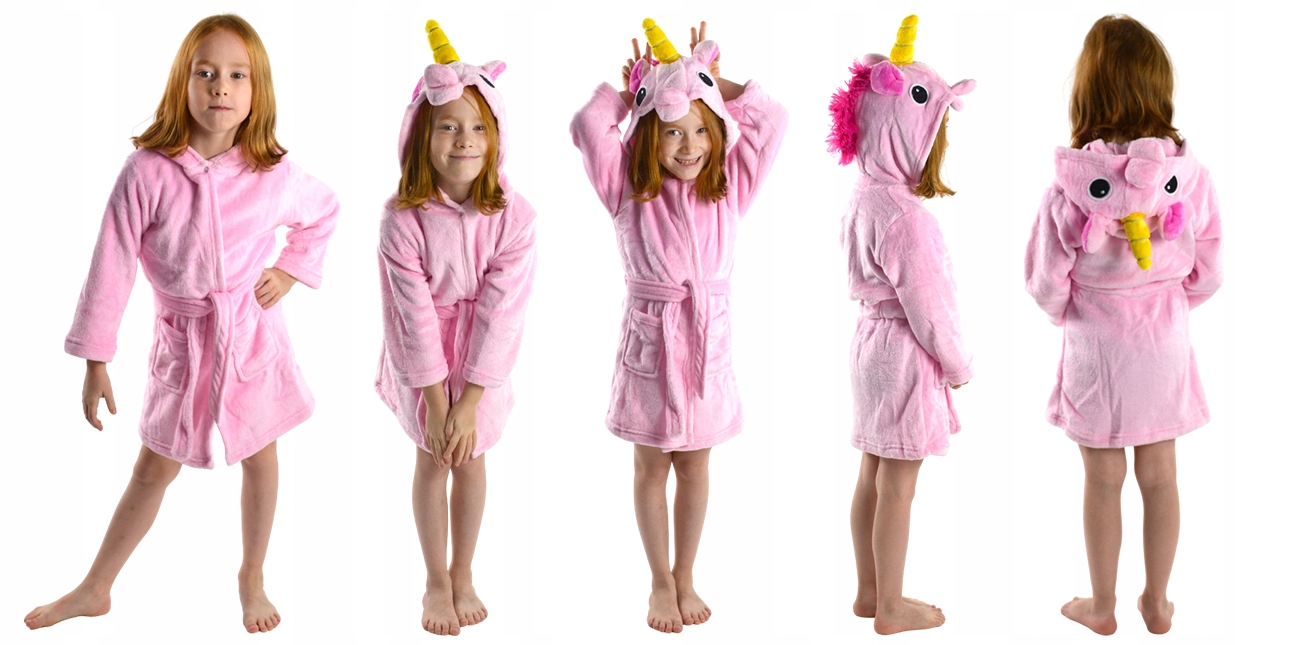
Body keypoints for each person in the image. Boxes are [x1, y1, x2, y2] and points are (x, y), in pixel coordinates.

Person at [25, 14, 338, 634]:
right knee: (153, 467)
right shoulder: (147, 172)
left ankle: (252, 576)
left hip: (251, 334)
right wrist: (96, 359)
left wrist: (291, 270)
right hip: (184, 342)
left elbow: (324, 210)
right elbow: (111, 263)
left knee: (261, 456)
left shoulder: (271, 171)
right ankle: (95, 587)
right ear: (182, 83)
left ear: (257, 91)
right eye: (206, 72)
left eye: (238, 75)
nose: (221, 86)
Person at [570, 18, 787, 634]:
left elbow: (774, 119)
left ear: (717, 132)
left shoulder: (729, 186)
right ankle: (659, 582)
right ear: (648, 134)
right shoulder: (626, 186)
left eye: (699, 130)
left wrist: (711, 80)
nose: (688, 146)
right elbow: (587, 125)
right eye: (672, 131)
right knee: (651, 466)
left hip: (706, 345)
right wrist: (638, 89)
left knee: (695, 467)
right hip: (651, 340)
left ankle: (686, 574)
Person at [1024, 14, 1224, 636]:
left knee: (1102, 478)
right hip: (1163, 341)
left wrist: (1066, 313)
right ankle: (1158, 602)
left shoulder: (1072, 186)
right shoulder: (1187, 179)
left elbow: (1043, 277)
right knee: (1161, 476)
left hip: (1097, 349)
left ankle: (1102, 604)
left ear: (1087, 92)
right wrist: (1171, 302)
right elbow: (1211, 266)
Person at [375, 20, 537, 637]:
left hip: (482, 361)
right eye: (448, 126)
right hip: (421, 359)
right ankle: (434, 581)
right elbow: (411, 315)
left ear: (496, 138)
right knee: (432, 456)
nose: (465, 139)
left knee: (471, 458)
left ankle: (463, 571)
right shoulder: (401, 219)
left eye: (478, 127)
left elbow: (502, 311)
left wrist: (468, 401)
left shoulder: (515, 217)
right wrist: (436, 401)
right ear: (422, 137)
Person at [827, 14, 975, 635]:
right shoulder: (907, 217)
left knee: (872, 472)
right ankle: (891, 605)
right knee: (900, 485)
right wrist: (958, 364)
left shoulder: (862, 196)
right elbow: (929, 306)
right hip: (904, 354)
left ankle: (869, 591)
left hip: (868, 348)